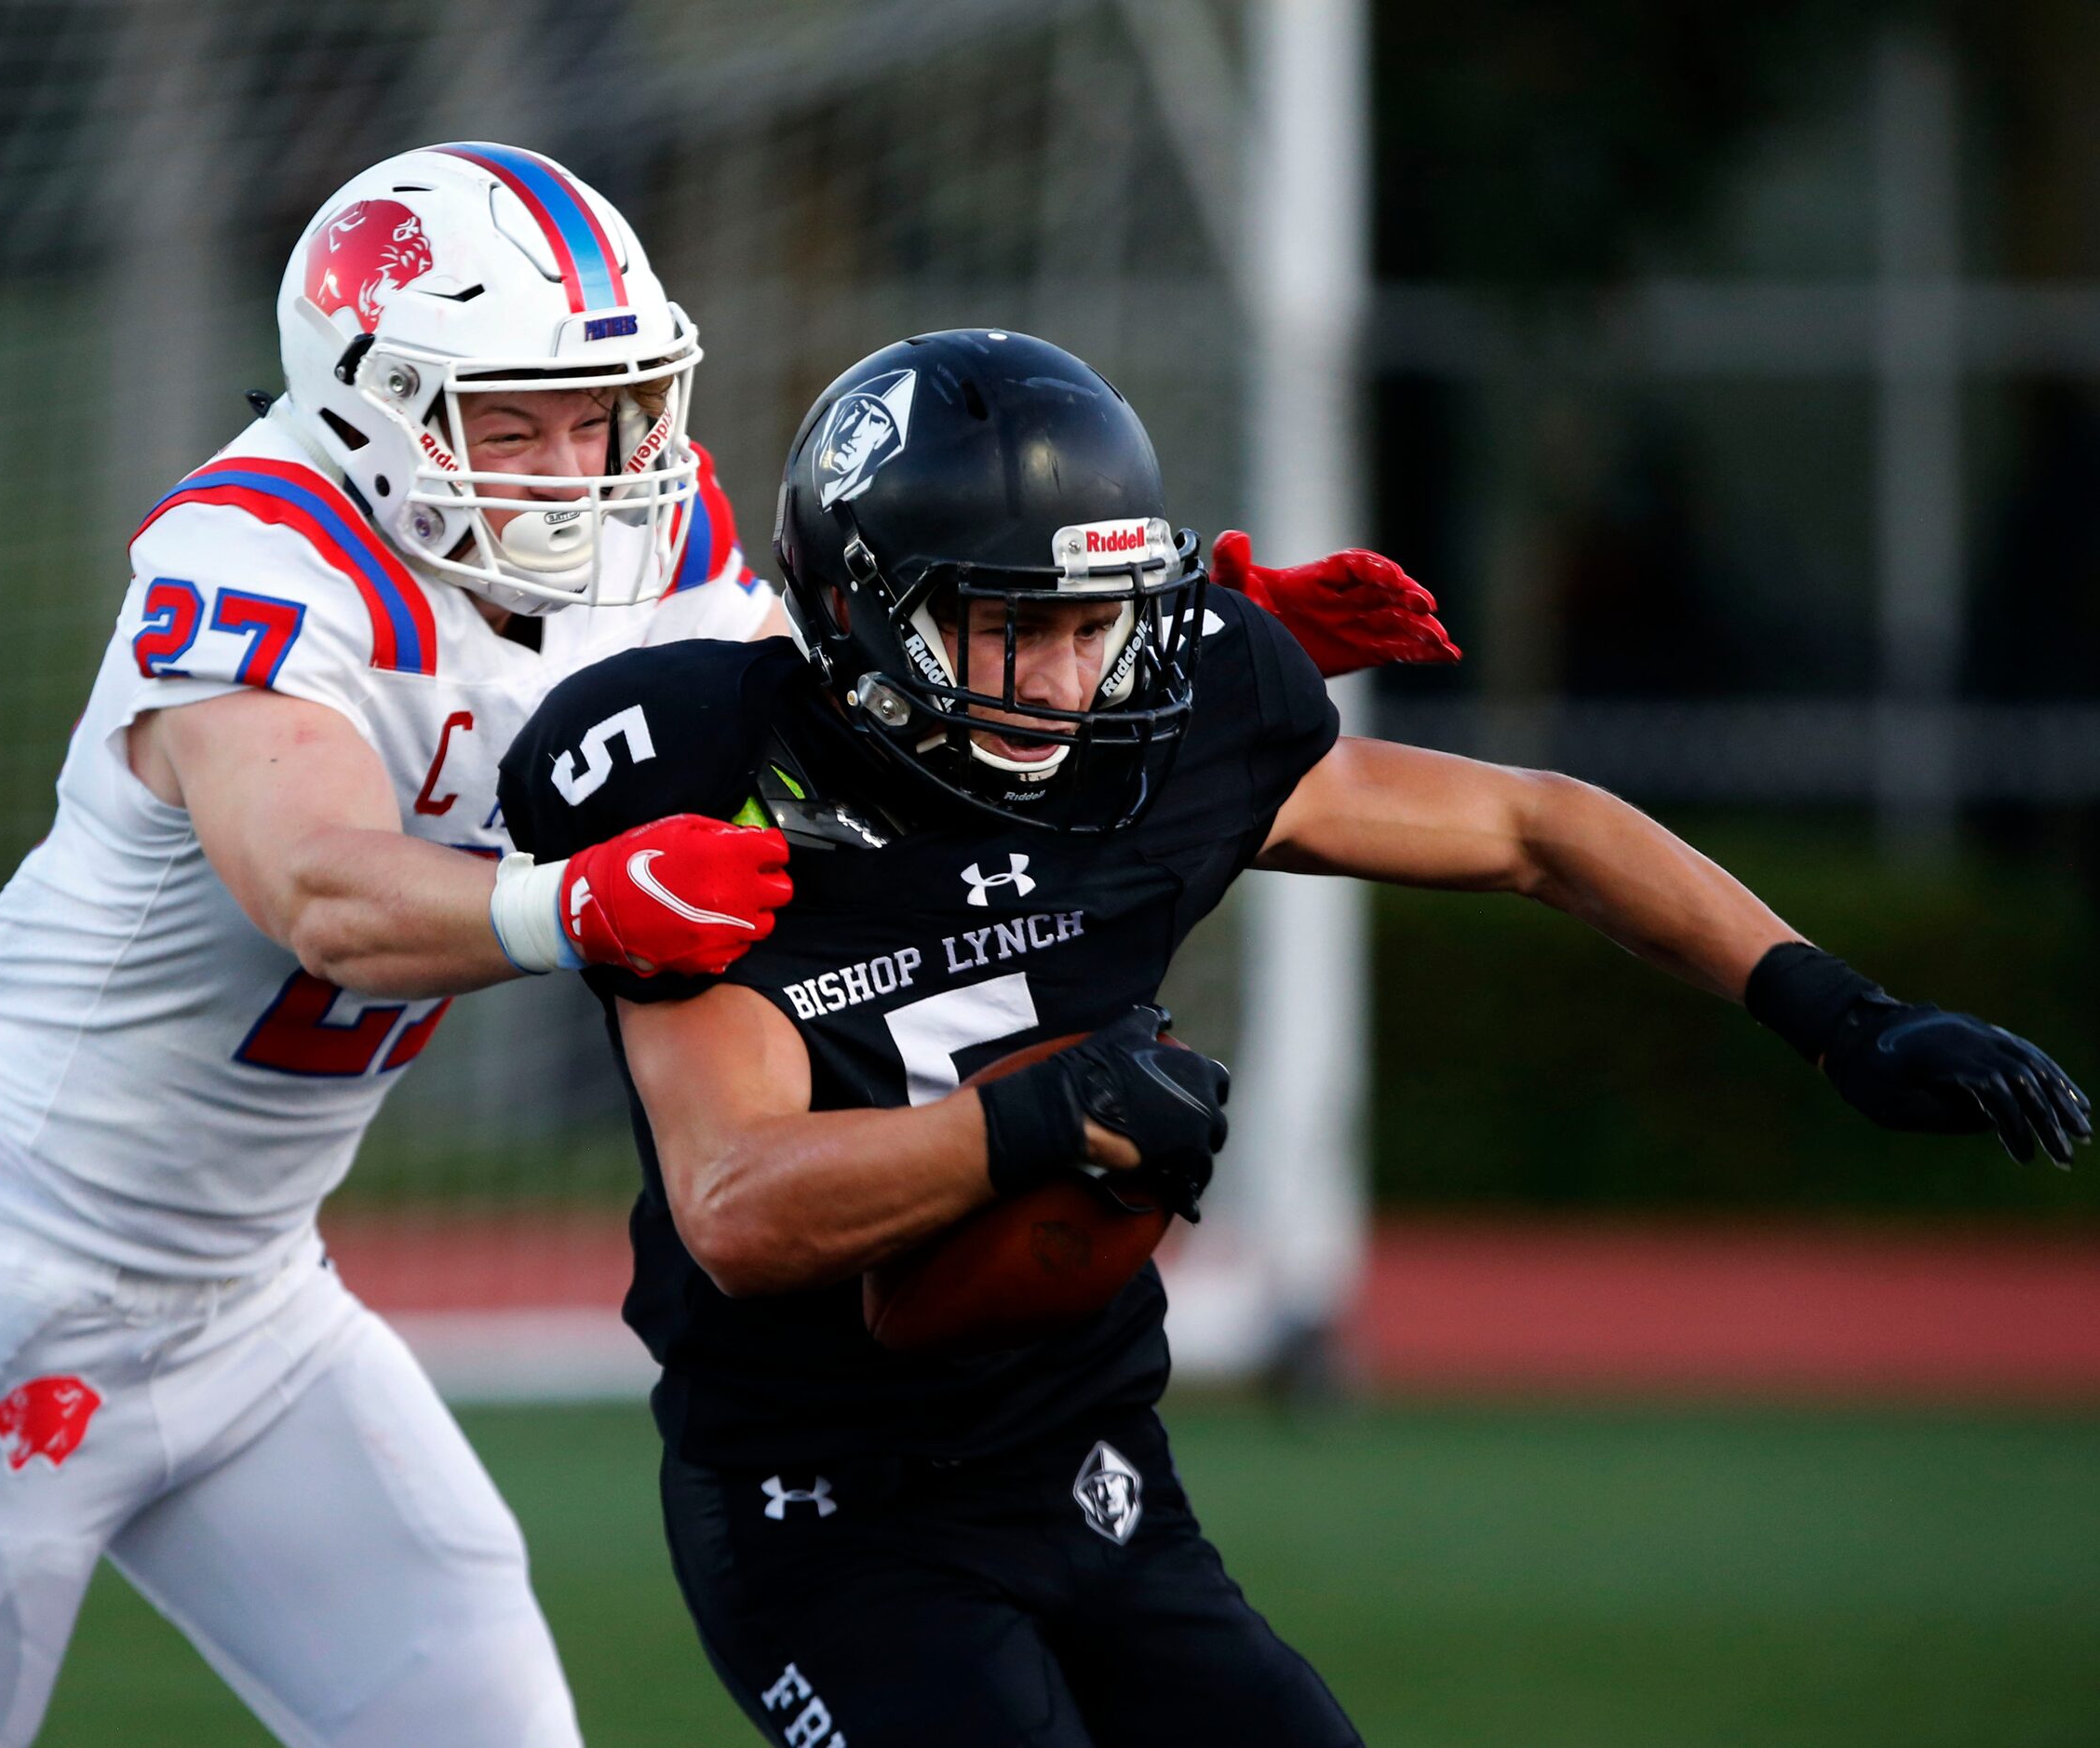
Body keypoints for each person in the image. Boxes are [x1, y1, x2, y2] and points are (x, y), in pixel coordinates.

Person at [499, 328, 2090, 1747]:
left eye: (1098, 617)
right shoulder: (708, 779)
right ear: (856, 608)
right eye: (1005, 624)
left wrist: (1838, 1011)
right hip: (823, 1509)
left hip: (1082, 1453)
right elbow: (737, 1207)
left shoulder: (1167, 713)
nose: (1067, 676)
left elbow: (1533, 827)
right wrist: (1049, 1115)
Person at [0, 141, 805, 1748]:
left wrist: (1196, 656)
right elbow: (321, 893)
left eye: (601, 410)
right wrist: (568, 904)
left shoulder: (648, 537)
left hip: (252, 1302)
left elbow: (851, 733)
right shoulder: (253, 556)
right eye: (506, 420)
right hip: (6, 1285)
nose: (573, 466)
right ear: (366, 398)